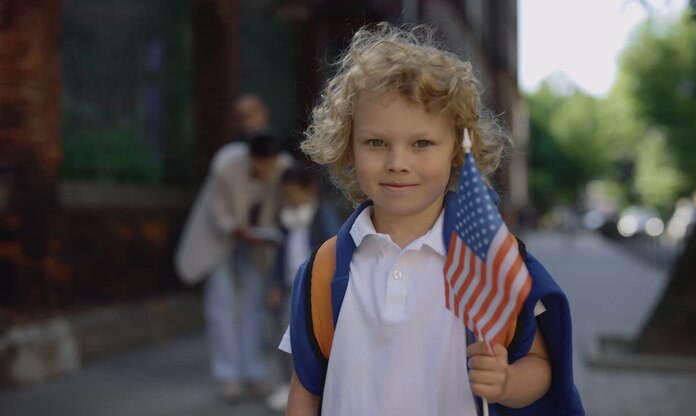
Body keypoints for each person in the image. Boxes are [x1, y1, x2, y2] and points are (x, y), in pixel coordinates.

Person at [279, 23, 583, 416]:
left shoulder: (490, 258)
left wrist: (506, 381)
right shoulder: (325, 268)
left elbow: (542, 367)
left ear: (458, 149)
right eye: (376, 142)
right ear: (348, 147)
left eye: (422, 143)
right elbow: (306, 383)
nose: (397, 163)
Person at [175, 127, 292, 402]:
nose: (266, 168)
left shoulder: (282, 167)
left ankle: (253, 373)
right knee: (221, 304)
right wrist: (237, 229)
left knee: (253, 304)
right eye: (261, 163)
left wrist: (259, 234)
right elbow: (216, 210)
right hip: (218, 239)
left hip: (256, 243)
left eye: (270, 163)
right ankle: (227, 377)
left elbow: (275, 208)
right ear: (251, 157)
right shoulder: (226, 165)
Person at [265, 162, 341, 411]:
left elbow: (333, 250)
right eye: (285, 193)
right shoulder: (285, 219)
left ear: (309, 190)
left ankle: (310, 387)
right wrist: (275, 284)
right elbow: (278, 256)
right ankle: (284, 385)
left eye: (293, 191)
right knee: (283, 336)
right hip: (288, 286)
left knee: (308, 339)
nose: (289, 197)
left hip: (314, 289)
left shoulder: (322, 216)